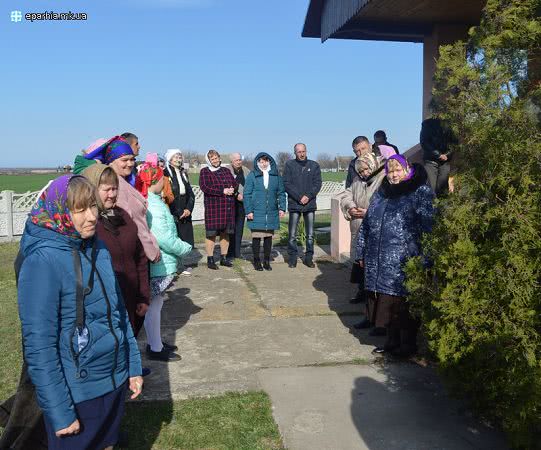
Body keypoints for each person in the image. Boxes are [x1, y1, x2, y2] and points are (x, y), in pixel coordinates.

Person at [17, 175, 143, 449]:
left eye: (93, 207)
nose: (91, 217)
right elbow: (39, 347)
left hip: (113, 380)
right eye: (80, 209)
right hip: (78, 392)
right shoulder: (42, 261)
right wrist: (60, 411)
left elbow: (118, 312)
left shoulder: (97, 246)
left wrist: (132, 367)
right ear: (60, 211)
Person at [356, 155, 434, 357]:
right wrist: (361, 252)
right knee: (386, 304)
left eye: (397, 170)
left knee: (403, 307)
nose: (393, 175)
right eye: (390, 171)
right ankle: (391, 342)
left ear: (407, 169)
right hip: (379, 260)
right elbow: (367, 224)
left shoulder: (420, 191)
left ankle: (407, 346)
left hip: (405, 261)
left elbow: (430, 228)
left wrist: (426, 259)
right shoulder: (382, 193)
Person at [82, 164, 150, 337]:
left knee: (129, 342)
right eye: (106, 189)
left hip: (130, 297)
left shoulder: (123, 216)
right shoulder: (86, 224)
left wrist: (143, 296)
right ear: (90, 189)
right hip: (101, 306)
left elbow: (140, 258)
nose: (112, 195)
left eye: (115, 189)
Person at [136, 161, 191, 362]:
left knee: (156, 304)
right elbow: (164, 237)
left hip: (161, 262)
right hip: (160, 263)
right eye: (162, 178)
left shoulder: (152, 201)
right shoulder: (153, 206)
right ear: (155, 181)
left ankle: (155, 342)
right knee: (154, 306)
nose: (165, 180)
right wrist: (184, 248)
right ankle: (155, 348)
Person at [84, 136, 160, 263]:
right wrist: (151, 251)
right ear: (111, 161)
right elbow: (131, 224)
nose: (130, 164)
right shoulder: (117, 187)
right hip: (134, 252)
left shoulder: (126, 182)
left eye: (132, 159)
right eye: (125, 160)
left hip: (139, 250)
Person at [340, 153, 385, 321]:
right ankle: (365, 302)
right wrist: (350, 207)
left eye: (366, 168)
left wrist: (369, 212)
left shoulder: (383, 179)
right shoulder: (358, 181)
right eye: (361, 170)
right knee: (361, 267)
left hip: (374, 231)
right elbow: (346, 195)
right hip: (358, 228)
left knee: (372, 273)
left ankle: (373, 313)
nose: (364, 172)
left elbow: (384, 204)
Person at [243, 153, 286, 271]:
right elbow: (247, 194)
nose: (263, 164)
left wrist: (282, 208)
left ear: (269, 162)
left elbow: (281, 193)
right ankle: (256, 261)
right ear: (257, 163)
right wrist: (249, 211)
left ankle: (266, 261)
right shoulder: (252, 176)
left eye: (266, 161)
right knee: (256, 237)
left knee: (268, 237)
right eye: (261, 161)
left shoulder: (276, 175)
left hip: (271, 212)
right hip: (256, 212)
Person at [283, 143, 322, 268]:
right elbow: (286, 184)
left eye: (303, 151)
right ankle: (293, 258)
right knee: (292, 234)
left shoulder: (314, 165)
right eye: (299, 151)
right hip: (295, 204)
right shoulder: (289, 165)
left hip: (309, 204)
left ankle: (308, 258)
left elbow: (317, 184)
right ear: (295, 152)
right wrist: (299, 197)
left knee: (310, 234)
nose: (301, 153)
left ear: (306, 151)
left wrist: (308, 196)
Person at [199, 149, 238, 269]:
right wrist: (222, 191)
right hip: (213, 207)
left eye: (216, 158)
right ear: (209, 160)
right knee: (211, 234)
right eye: (212, 159)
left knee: (225, 234)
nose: (215, 160)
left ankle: (223, 258)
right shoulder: (205, 171)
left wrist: (232, 189)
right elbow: (205, 187)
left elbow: (234, 183)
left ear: (220, 158)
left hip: (227, 207)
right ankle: (210, 259)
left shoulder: (226, 170)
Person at [163, 149, 195, 248]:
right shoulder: (165, 173)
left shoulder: (183, 173)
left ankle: (185, 261)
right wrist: (178, 212)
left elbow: (191, 194)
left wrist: (188, 209)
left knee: (186, 242)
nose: (178, 160)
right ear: (170, 159)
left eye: (180, 157)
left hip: (185, 208)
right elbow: (168, 195)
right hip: (174, 210)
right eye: (176, 157)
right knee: (175, 240)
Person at [420, 117, 455, 196]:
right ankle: (431, 207)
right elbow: (424, 142)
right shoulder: (427, 123)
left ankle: (442, 208)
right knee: (430, 189)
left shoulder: (450, 123)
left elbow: (454, 143)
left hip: (445, 161)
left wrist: (447, 154)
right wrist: (438, 155)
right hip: (430, 160)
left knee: (443, 189)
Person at [226, 152, 250, 260]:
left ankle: (237, 252)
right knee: (231, 229)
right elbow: (226, 185)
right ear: (231, 161)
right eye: (236, 160)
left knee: (239, 228)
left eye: (240, 159)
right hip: (230, 203)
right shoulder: (227, 170)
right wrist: (237, 195)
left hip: (242, 203)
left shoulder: (246, 170)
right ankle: (229, 253)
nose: (239, 162)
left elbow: (250, 185)